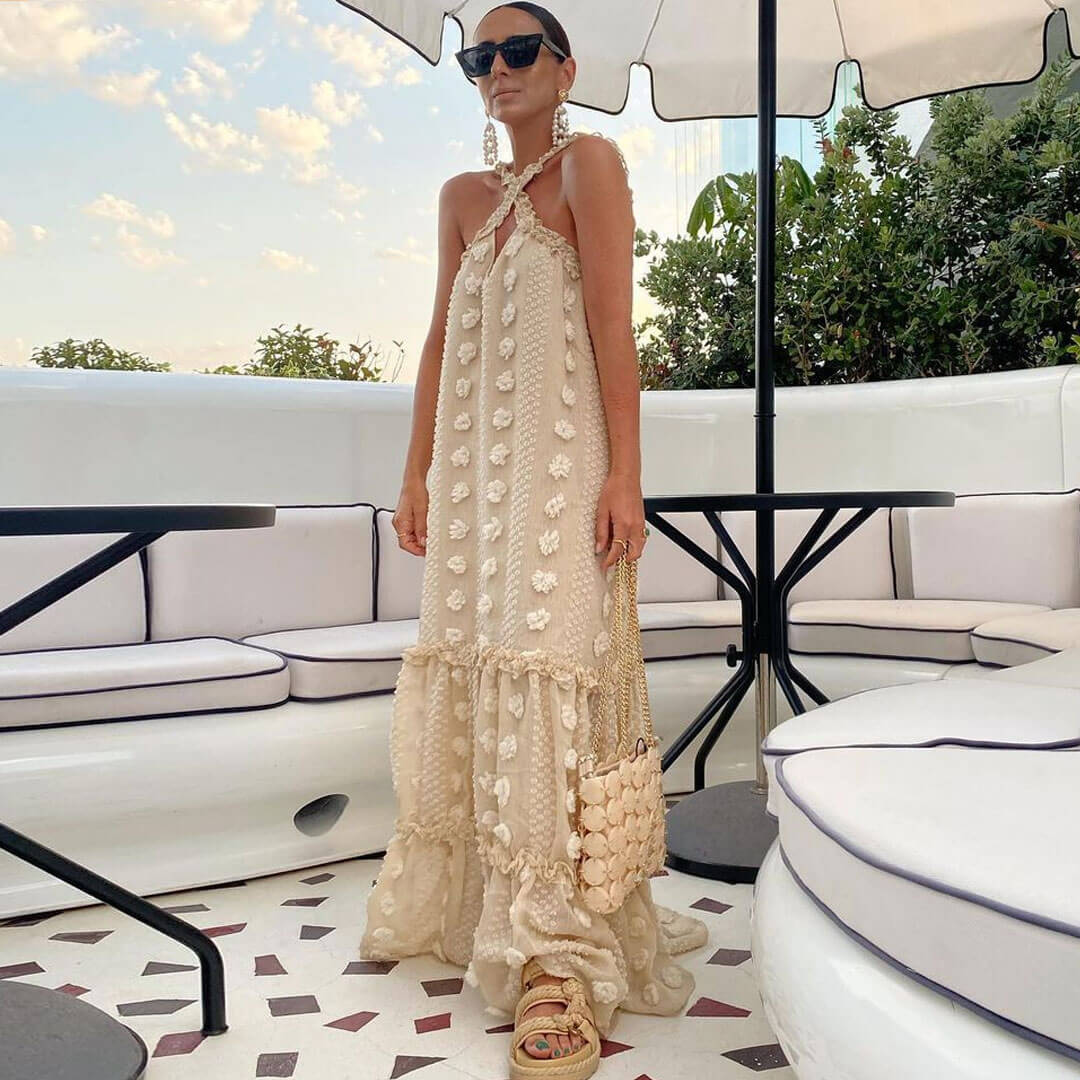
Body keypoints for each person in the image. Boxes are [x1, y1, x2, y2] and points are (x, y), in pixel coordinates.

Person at [359, 4, 708, 1076]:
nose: (496, 70)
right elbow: (434, 342)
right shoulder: (461, 199)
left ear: (563, 67)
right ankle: (485, 909)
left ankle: (557, 955)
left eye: (518, 52)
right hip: (471, 488)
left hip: (561, 479)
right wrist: (415, 470)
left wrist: (626, 476)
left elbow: (614, 326)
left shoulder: (590, 165)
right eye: (480, 56)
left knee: (554, 672)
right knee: (473, 669)